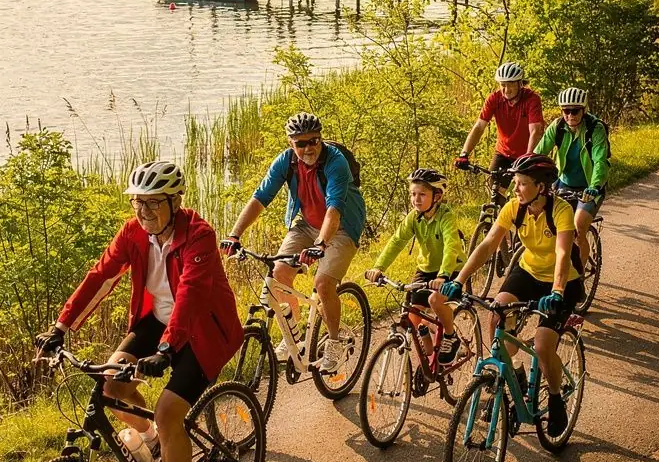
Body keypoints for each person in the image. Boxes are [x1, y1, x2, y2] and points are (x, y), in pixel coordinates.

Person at [34, 160, 243, 462]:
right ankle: (151, 442)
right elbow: (101, 276)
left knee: (169, 413)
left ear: (175, 202)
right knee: (111, 386)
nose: (143, 211)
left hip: (203, 332)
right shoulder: (133, 232)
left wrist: (167, 349)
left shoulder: (199, 235)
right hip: (157, 323)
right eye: (137, 203)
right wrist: (61, 327)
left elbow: (191, 294)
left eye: (153, 203)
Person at [442, 153, 584, 438]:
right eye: (515, 182)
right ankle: (513, 373)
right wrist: (459, 280)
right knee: (497, 317)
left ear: (540, 187)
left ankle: (555, 397)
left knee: (543, 345)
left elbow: (562, 253)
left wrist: (556, 291)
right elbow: (487, 245)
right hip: (528, 271)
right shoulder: (513, 208)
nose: (515, 188)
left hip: (562, 282)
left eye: (521, 183)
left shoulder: (561, 211)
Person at [222, 112, 366, 373]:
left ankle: (334, 342)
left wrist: (320, 244)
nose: (308, 148)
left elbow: (334, 210)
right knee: (279, 273)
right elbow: (260, 198)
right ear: (291, 143)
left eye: (313, 141)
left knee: (323, 283)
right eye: (301, 143)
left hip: (342, 227)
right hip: (306, 223)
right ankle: (294, 336)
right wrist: (235, 235)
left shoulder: (335, 161)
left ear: (320, 139)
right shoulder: (286, 161)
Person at [365, 168, 465, 365]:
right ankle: (427, 360)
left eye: (422, 195)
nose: (416, 199)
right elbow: (396, 241)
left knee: (436, 301)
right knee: (413, 317)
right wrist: (379, 267)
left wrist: (443, 276)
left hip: (451, 269)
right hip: (426, 269)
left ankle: (451, 336)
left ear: (437, 196)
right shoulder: (414, 217)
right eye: (413, 194)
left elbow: (451, 247)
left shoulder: (446, 216)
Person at [535, 86, 609, 266]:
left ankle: (579, 275)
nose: (570, 115)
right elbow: (538, 153)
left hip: (590, 187)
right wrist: (525, 172)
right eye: (566, 111)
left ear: (583, 110)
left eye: (575, 111)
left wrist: (594, 186)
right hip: (563, 183)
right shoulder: (558, 126)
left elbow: (600, 161)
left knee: (578, 225)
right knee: (548, 222)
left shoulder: (595, 128)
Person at [455, 62, 544, 185]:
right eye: (503, 85)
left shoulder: (532, 99)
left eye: (510, 85)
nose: (506, 90)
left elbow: (535, 131)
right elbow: (479, 127)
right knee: (493, 186)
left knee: (524, 189)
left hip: (526, 154)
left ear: (520, 83)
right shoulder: (494, 99)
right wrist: (464, 154)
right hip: (503, 153)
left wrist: (528, 158)